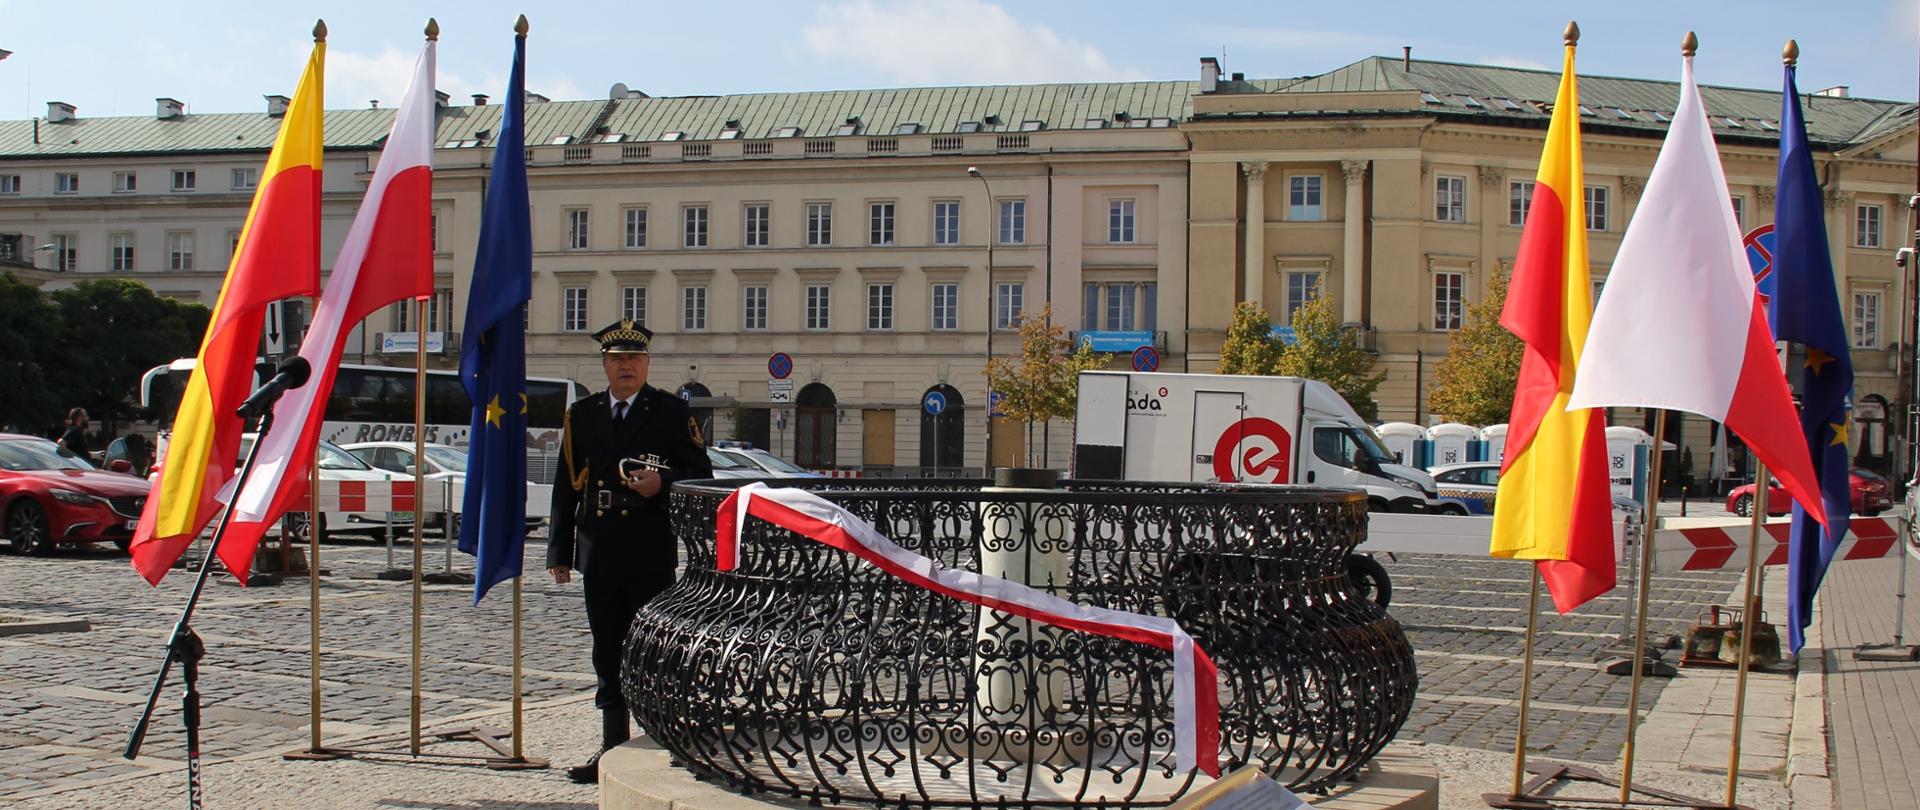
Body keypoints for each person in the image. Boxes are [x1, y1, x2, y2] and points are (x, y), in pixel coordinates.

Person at [548, 319, 711, 784]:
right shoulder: (583, 414)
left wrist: (664, 484)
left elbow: (701, 474)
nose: (626, 366)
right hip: (598, 547)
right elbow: (566, 485)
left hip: (648, 544)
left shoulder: (670, 412)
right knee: (607, 648)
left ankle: (667, 738)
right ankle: (613, 743)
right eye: (618, 359)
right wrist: (559, 549)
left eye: (635, 359)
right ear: (604, 364)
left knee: (656, 647)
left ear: (647, 364)